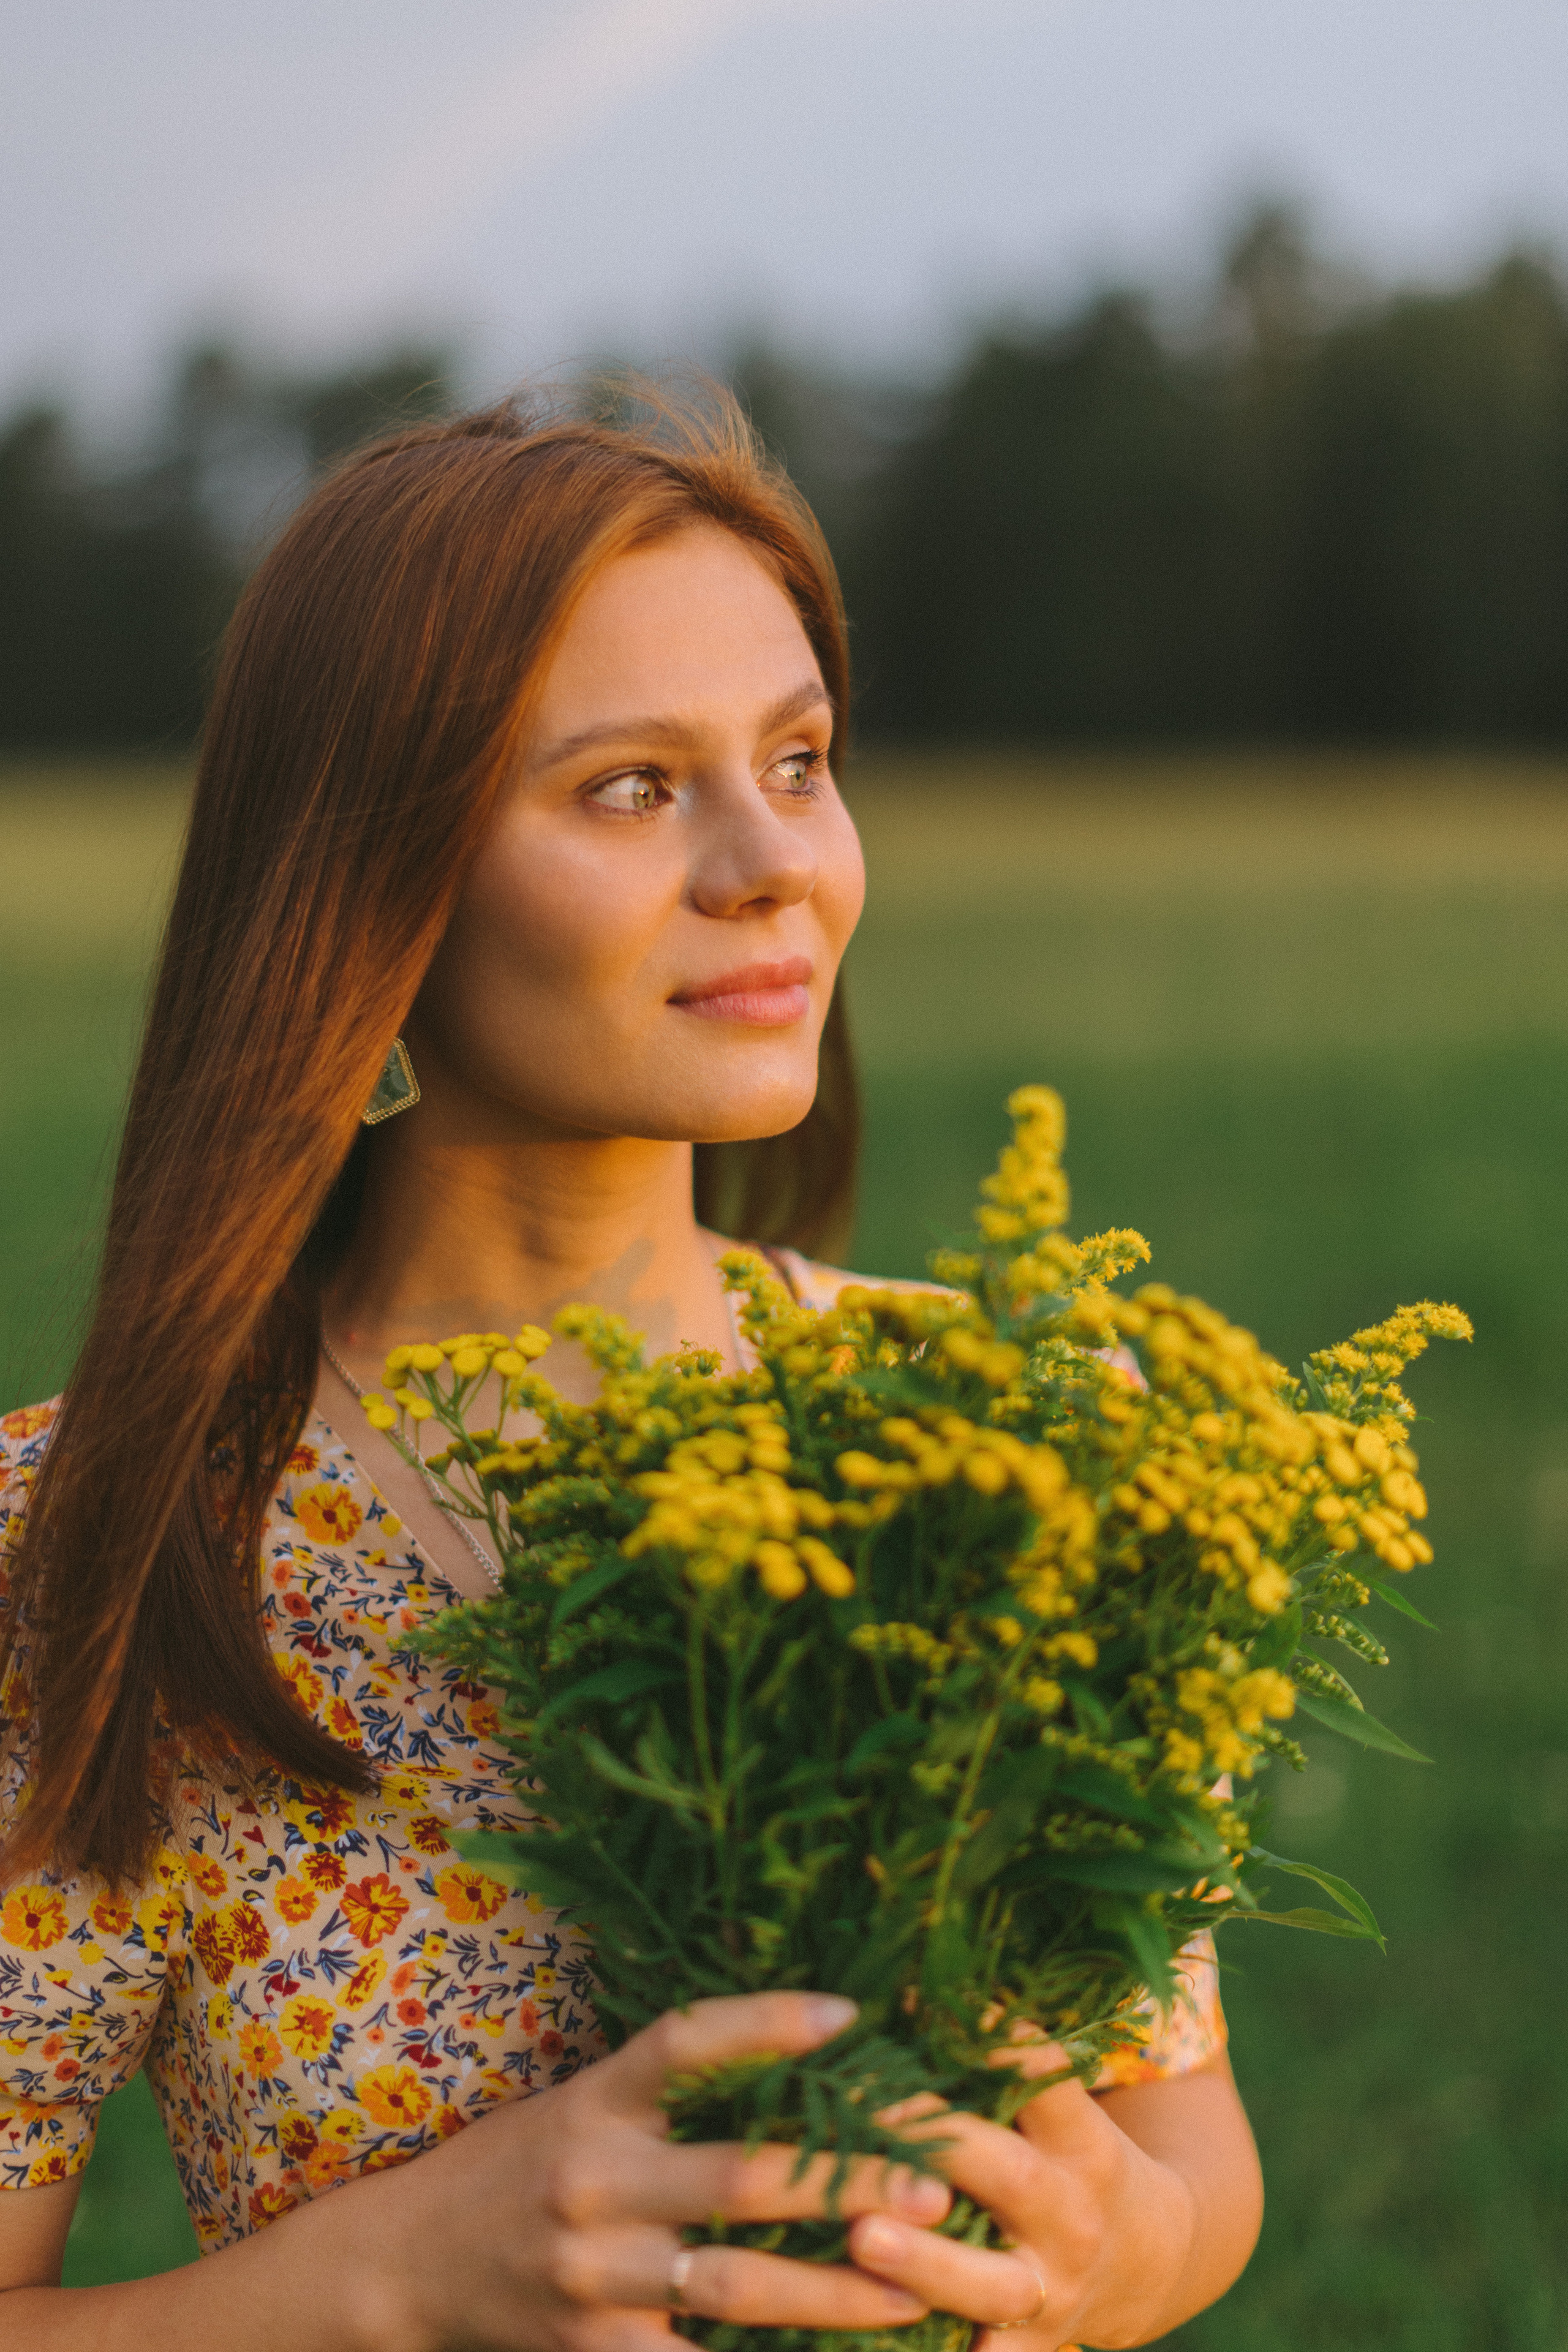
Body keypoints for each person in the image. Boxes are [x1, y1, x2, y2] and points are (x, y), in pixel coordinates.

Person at [0, 386, 1262, 2348]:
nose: (775, 865)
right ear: (374, 883)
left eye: (800, 759)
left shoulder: (1025, 1434)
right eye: (630, 788)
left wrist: (1119, 2252)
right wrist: (405, 2277)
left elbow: (1190, 2144)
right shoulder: (86, 1542)